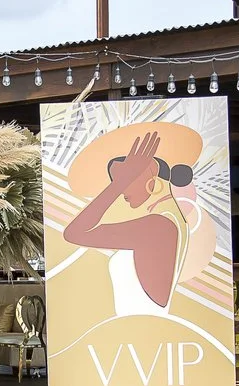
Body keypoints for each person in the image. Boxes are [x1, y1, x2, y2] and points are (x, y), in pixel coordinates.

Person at [62, 129, 195, 314]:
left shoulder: (157, 226)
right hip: (137, 325)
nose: (121, 190)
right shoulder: (168, 219)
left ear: (150, 174)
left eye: (125, 179)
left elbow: (74, 233)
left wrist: (118, 184)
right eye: (116, 181)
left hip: (140, 324)